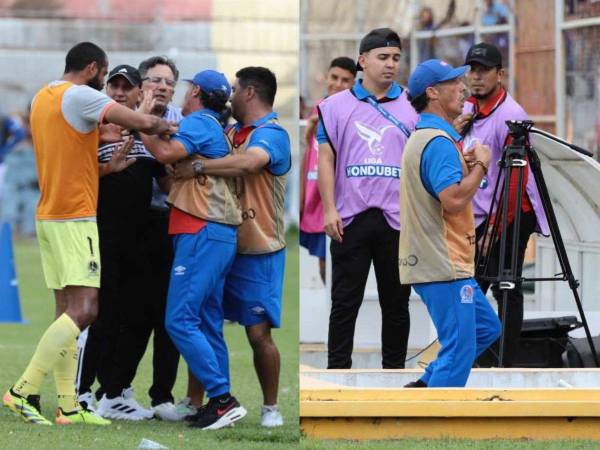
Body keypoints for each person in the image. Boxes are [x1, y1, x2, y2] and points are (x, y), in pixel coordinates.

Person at [2, 41, 174, 426]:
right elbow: (139, 122)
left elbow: (68, 154)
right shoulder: (79, 95)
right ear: (93, 68)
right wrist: (164, 124)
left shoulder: (43, 98)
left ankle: (67, 406)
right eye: (105, 73)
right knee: (87, 310)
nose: (105, 83)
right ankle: (21, 389)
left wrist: (105, 170)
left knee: (67, 312)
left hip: (50, 215)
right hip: (74, 219)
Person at [174, 66, 291, 427]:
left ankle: (270, 407)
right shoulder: (226, 131)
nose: (230, 95)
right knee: (202, 320)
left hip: (259, 246)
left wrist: (199, 167)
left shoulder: (272, 133)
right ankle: (199, 401)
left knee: (258, 334)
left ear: (250, 93)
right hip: (222, 239)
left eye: (236, 88)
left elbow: (247, 164)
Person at [140, 69, 247, 430]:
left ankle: (221, 397)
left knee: (179, 319)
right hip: (214, 233)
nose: (181, 97)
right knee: (206, 321)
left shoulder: (200, 122)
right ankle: (221, 405)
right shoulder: (209, 124)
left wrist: (141, 123)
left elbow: (167, 151)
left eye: (186, 90)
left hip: (201, 229)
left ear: (197, 92)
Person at [90, 57, 185, 422]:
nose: (162, 86)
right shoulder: (121, 118)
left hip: (170, 223)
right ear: (140, 85)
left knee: (168, 315)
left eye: (168, 81)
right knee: (126, 313)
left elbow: (174, 172)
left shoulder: (178, 120)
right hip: (130, 225)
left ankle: (162, 395)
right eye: (155, 80)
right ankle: (111, 389)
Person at [317, 28, 417, 369]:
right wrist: (329, 209)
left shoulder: (412, 106)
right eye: (383, 57)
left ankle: (394, 374)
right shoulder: (333, 106)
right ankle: (337, 374)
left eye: (396, 58)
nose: (390, 65)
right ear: (363, 61)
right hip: (350, 218)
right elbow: (326, 158)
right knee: (345, 302)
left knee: (396, 303)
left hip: (397, 220)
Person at [400, 59, 501, 388]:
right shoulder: (439, 143)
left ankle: (427, 383)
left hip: (441, 260)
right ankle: (434, 420)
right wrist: (482, 166)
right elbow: (454, 200)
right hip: (443, 263)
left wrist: (467, 167)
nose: (463, 87)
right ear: (432, 92)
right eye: (453, 82)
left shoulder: (430, 137)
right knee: (461, 346)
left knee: (486, 328)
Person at [456, 43, 549, 367]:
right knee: (469, 289)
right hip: (478, 209)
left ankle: (505, 365)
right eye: (472, 70)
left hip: (510, 212)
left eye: (484, 70)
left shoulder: (511, 116)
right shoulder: (467, 108)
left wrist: (493, 231)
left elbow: (515, 181)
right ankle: (476, 359)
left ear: (500, 74)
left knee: (506, 287)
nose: (476, 77)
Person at [300, 56, 356, 284]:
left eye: (345, 80)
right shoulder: (318, 109)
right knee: (324, 265)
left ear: (354, 83)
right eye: (334, 77)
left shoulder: (356, 111)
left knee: (342, 267)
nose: (338, 84)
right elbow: (311, 153)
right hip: (316, 198)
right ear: (327, 77)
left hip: (343, 201)